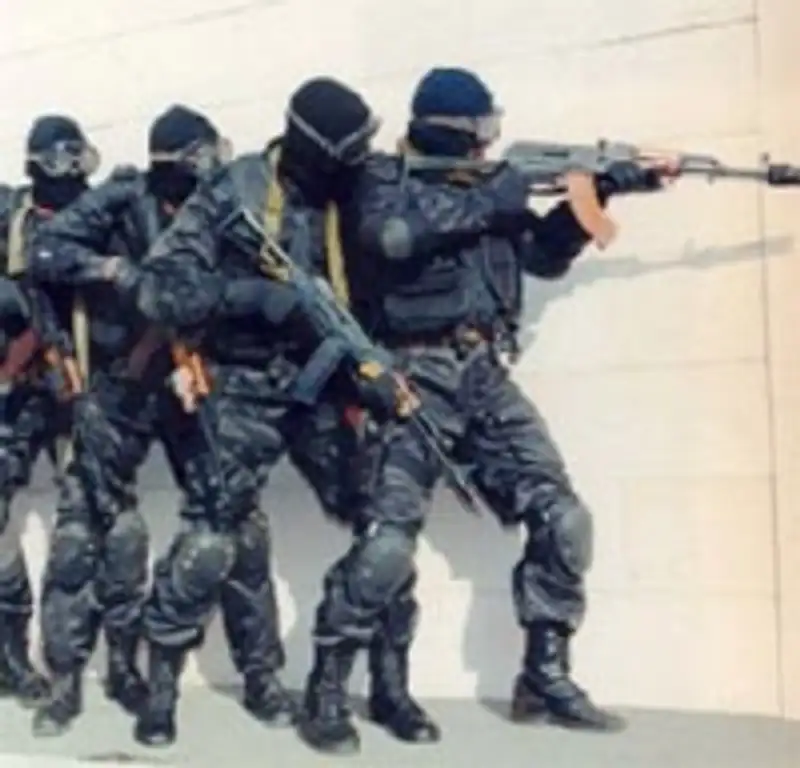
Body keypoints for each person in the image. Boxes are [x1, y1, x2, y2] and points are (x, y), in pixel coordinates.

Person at [298, 67, 672, 752]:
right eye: (483, 131)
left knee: (564, 518)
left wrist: (595, 197)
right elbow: (391, 239)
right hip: (409, 377)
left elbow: (540, 257)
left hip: (482, 375)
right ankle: (327, 687)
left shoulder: (488, 189)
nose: (490, 144)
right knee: (385, 547)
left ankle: (544, 678)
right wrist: (497, 194)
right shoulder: (381, 179)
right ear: (455, 131)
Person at [130, 76, 404, 748]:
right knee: (213, 540)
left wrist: (374, 369)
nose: (361, 159)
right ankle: (165, 685)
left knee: (386, 527)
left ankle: (370, 687)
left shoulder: (360, 192)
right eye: (350, 149)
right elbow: (158, 289)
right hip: (246, 383)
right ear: (316, 150)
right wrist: (248, 298)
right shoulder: (236, 189)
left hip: (328, 381)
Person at [25, 105, 235, 736]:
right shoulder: (122, 198)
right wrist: (114, 270)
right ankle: (65, 682)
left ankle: (144, 674)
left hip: (191, 383)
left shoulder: (226, 209)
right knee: (82, 534)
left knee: (224, 524)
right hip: (122, 386)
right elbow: (45, 253)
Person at [0, 115, 100, 707]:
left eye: (79, 160)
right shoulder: (11, 218)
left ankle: (71, 662)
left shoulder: (103, 218)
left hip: (82, 392)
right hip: (19, 391)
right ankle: (10, 654)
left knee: (88, 522)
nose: (73, 175)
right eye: (63, 162)